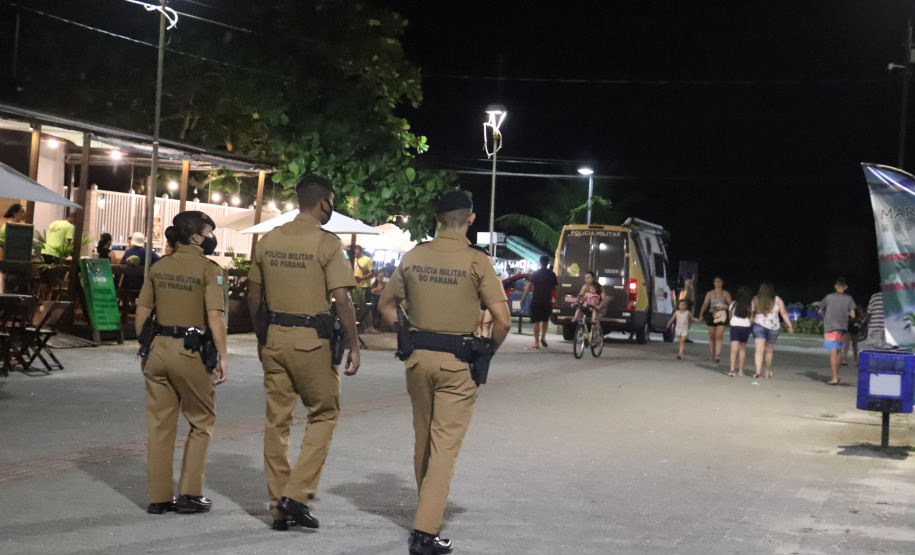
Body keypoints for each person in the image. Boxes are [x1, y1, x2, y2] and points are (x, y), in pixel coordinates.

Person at [378, 189, 510, 555]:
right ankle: (425, 530)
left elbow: (386, 305)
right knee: (444, 446)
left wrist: (402, 332)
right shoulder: (476, 261)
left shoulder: (414, 255)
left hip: (418, 359)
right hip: (458, 363)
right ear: (470, 218)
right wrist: (487, 352)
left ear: (437, 219)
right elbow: (503, 320)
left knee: (424, 438)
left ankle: (427, 510)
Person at [245, 174, 360, 532]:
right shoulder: (327, 243)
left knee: (277, 422)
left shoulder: (269, 240)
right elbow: (341, 299)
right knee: (324, 413)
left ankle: (279, 506)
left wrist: (262, 336)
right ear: (324, 202)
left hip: (275, 337)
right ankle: (296, 494)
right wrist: (355, 344)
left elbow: (252, 295)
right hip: (312, 340)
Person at [134, 211, 228, 515]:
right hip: (191, 351)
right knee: (201, 422)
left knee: (160, 426)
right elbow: (215, 315)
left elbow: (143, 310)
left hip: (158, 349)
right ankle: (189, 493)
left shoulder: (159, 267)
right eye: (210, 232)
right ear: (197, 237)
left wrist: (145, 347)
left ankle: (159, 498)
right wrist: (223, 356)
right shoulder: (209, 270)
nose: (213, 238)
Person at [751, 283, 793, 379]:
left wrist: (750, 322)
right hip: (773, 327)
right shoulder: (777, 300)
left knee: (759, 350)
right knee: (769, 351)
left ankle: (758, 371)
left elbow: (751, 312)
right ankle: (766, 372)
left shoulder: (756, 299)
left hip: (759, 326)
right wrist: (789, 325)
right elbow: (783, 312)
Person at [819, 278, 856, 385]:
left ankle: (834, 377)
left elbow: (820, 310)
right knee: (839, 351)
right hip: (842, 328)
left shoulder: (828, 297)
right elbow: (853, 315)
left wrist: (825, 317)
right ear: (845, 287)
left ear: (835, 286)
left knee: (832, 352)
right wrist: (845, 314)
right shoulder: (849, 298)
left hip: (830, 328)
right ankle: (837, 375)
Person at [520, 255, 557, 349]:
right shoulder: (552, 274)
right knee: (545, 320)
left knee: (536, 321)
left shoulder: (535, 274)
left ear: (540, 263)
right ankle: (543, 338)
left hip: (536, 300)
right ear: (548, 263)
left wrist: (523, 297)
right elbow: (555, 287)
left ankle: (536, 342)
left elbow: (529, 286)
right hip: (547, 300)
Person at [698, 276, 732, 363]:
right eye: (716, 281)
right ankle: (711, 354)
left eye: (719, 281)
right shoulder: (709, 293)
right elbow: (705, 304)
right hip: (711, 315)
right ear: (713, 283)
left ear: (722, 283)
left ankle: (717, 356)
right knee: (712, 337)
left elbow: (731, 305)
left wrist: (723, 308)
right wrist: (701, 314)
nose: (717, 283)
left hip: (721, 316)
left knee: (719, 336)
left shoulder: (726, 293)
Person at [727, 286, 754, 376]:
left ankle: (732, 369)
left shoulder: (734, 304)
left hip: (735, 326)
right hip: (745, 326)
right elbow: (751, 318)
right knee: (742, 349)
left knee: (733, 349)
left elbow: (730, 316)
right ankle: (741, 370)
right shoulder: (749, 305)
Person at [351, 245, 377, 333]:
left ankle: (369, 326)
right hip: (355, 287)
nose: (354, 252)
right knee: (356, 305)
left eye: (355, 249)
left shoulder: (367, 259)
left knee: (366, 306)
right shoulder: (353, 260)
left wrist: (361, 278)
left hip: (365, 286)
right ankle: (360, 325)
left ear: (359, 250)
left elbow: (372, 273)